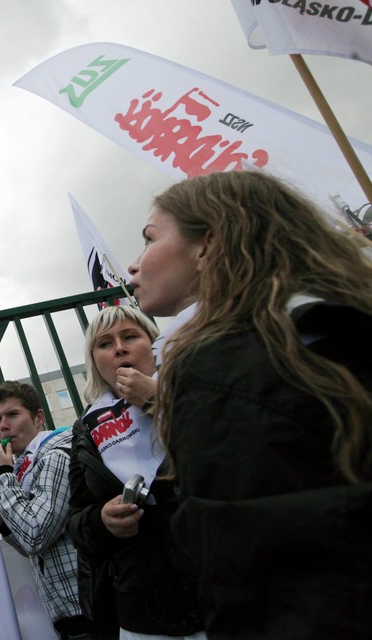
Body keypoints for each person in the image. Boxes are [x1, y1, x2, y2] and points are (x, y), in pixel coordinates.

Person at [128, 170, 372, 639]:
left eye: (149, 239)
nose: (134, 266)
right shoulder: (335, 324)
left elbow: (255, 580)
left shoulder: (218, 368)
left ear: (209, 244)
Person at [67, 305, 204, 640]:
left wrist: (159, 402)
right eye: (104, 344)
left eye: (130, 336)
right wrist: (103, 520)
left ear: (154, 344)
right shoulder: (86, 428)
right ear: (96, 362)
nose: (119, 348)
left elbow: (230, 454)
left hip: (216, 589)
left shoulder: (192, 386)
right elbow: (77, 520)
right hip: (142, 609)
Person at [0, 380, 114, 639]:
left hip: (88, 608)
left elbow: (36, 535)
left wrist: (1, 474)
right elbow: (33, 550)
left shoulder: (54, 454)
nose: (3, 425)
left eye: (13, 414)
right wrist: (2, 521)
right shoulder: (25, 466)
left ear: (39, 417)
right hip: (68, 612)